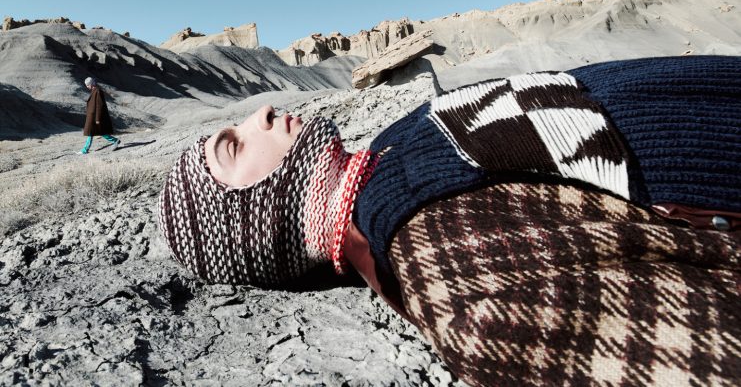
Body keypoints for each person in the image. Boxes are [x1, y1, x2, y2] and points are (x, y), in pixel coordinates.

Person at [158, 55, 741, 386]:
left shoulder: (382, 156)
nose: (260, 114)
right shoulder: (453, 278)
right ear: (250, 219)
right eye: (233, 147)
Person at [79, 77, 121, 154]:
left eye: (87, 85)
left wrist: (98, 118)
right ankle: (85, 150)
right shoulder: (94, 91)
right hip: (93, 117)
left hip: (95, 117)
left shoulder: (97, 91)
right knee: (93, 132)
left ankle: (85, 150)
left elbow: (99, 106)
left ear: (91, 84)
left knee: (96, 132)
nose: (87, 87)